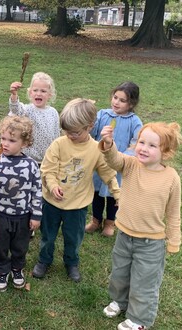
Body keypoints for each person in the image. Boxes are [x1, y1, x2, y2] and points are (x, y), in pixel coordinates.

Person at [99, 122, 182, 330]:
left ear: (166, 151)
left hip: (151, 243)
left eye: (152, 145)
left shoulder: (171, 178)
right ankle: (120, 301)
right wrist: (108, 144)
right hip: (124, 236)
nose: (143, 148)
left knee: (144, 283)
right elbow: (114, 160)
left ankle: (140, 319)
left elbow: (173, 212)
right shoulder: (130, 164)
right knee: (120, 274)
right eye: (141, 142)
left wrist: (174, 240)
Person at [32, 98, 120, 282]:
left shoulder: (96, 149)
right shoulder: (58, 144)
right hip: (52, 202)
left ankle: (71, 262)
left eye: (75, 132)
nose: (70, 135)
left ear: (90, 126)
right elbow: (47, 169)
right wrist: (53, 185)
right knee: (48, 235)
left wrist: (116, 192)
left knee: (73, 238)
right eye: (66, 131)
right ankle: (44, 259)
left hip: (78, 205)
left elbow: (107, 172)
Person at [0, 116, 42, 292]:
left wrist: (36, 215)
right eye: (3, 138)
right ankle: (2, 270)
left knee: (20, 246)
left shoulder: (31, 165)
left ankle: (17, 269)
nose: (5, 144)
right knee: (0, 245)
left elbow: (37, 191)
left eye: (12, 140)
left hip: (22, 216)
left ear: (25, 143)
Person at [86, 82, 143, 237]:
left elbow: (135, 143)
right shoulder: (102, 114)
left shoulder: (134, 121)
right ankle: (96, 220)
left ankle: (110, 222)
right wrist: (89, 115)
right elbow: (92, 133)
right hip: (99, 164)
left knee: (113, 195)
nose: (116, 102)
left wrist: (123, 159)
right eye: (115, 97)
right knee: (97, 193)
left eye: (122, 100)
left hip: (118, 166)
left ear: (131, 104)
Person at [8, 71, 60, 164]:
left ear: (50, 94)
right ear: (30, 92)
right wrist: (14, 95)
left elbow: (56, 135)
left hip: (47, 160)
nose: (38, 94)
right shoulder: (27, 110)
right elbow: (16, 110)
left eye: (43, 91)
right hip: (28, 160)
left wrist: (57, 153)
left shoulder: (53, 112)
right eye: (35, 90)